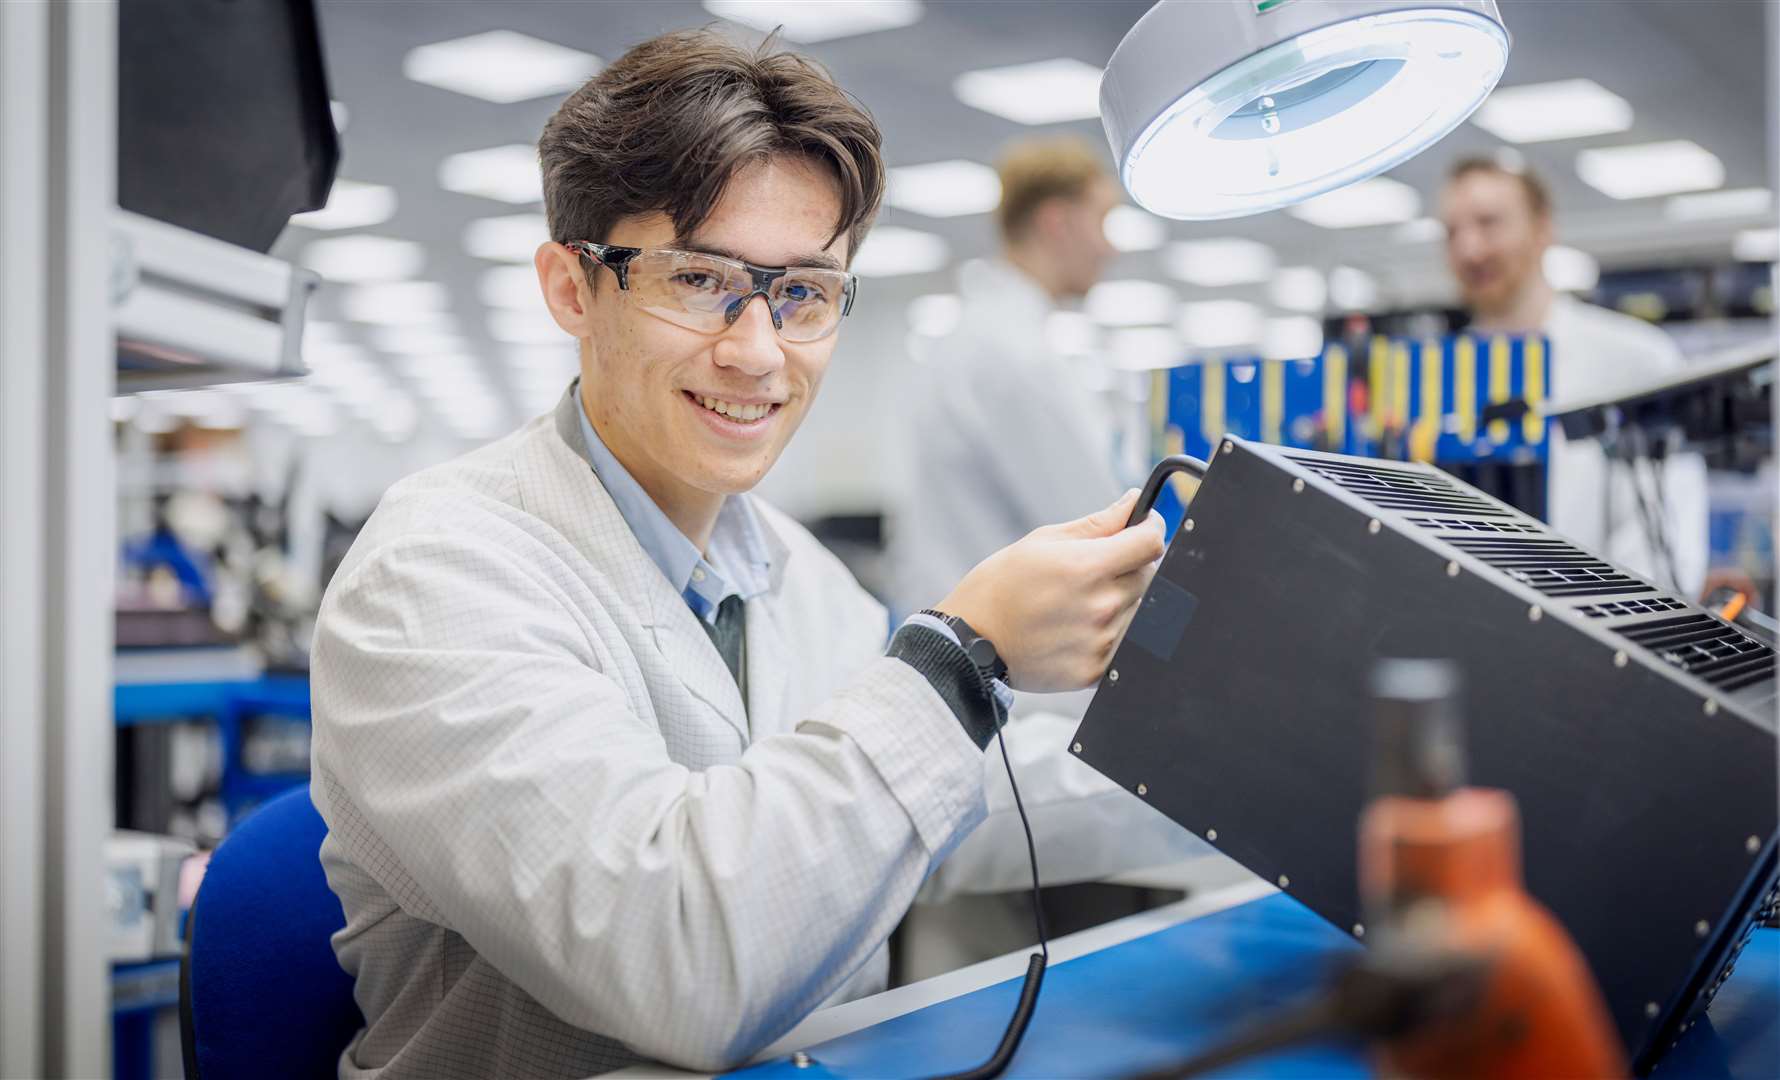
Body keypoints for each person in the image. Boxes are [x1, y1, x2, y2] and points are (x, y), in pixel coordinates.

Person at [308, 30, 1195, 1079]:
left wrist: (1271, 777)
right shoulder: (435, 574)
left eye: (805, 293)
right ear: (569, 287)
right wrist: (962, 660)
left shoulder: (796, 571)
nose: (758, 350)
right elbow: (675, 961)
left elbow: (949, 805)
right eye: (697, 279)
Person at [892, 136, 1132, 629]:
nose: (1109, 246)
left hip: (960, 632)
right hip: (1009, 661)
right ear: (1057, 222)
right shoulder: (1015, 355)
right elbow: (1097, 525)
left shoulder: (971, 337)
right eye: (1102, 221)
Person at [1439, 156, 1707, 594]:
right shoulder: (1439, 377)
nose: (1470, 249)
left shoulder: (1634, 358)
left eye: (1489, 223)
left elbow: (1666, 535)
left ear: (1543, 228)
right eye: (1453, 232)